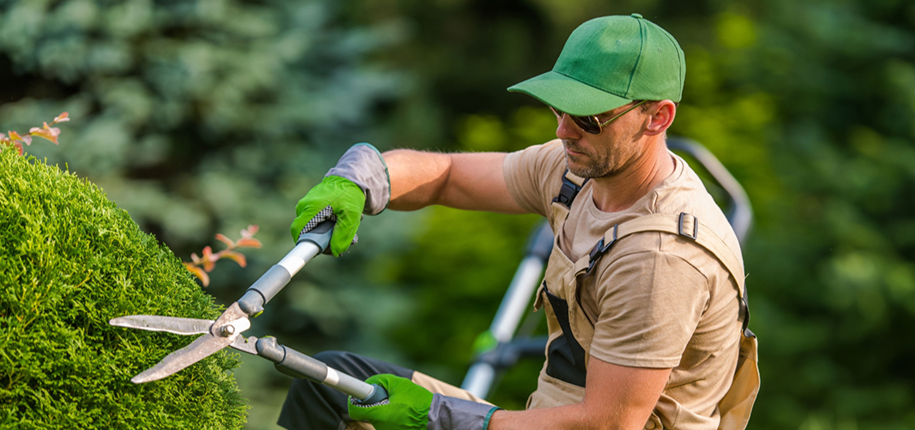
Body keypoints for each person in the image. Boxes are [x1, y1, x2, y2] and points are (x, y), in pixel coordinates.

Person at [278, 13, 759, 430]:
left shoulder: (662, 258)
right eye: (560, 108)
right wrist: (365, 178)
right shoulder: (577, 169)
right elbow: (449, 176)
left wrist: (442, 418)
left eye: (589, 118)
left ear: (657, 117)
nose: (563, 131)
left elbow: (609, 422)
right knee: (329, 383)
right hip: (541, 417)